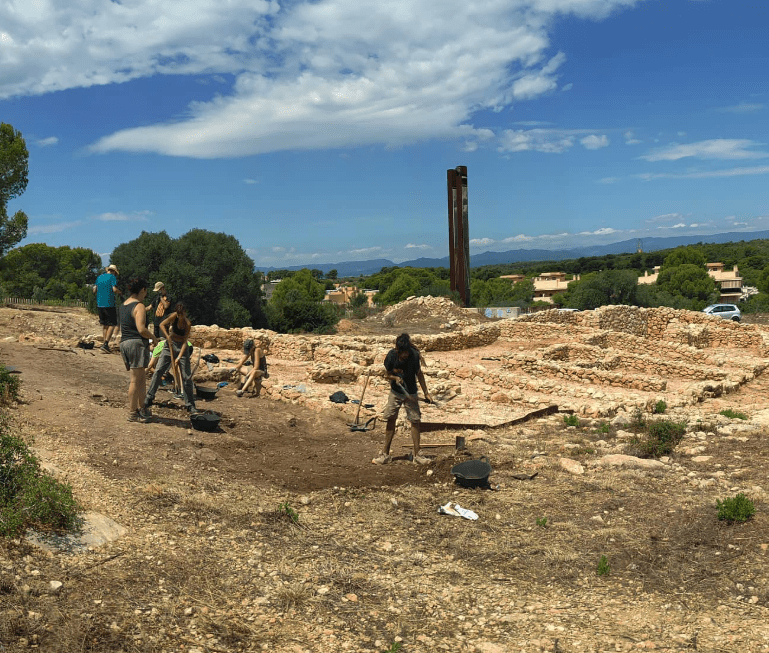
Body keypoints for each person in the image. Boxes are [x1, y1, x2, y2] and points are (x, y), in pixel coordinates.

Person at [372, 333, 432, 465]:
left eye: (406, 352)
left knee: (415, 420)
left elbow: (419, 374)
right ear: (398, 350)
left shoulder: (414, 355)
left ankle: (417, 455)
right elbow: (386, 374)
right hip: (396, 393)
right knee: (391, 418)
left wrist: (426, 393)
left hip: (411, 393)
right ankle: (385, 455)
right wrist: (395, 378)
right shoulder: (391, 356)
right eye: (402, 353)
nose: (405, 355)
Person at [144, 303, 199, 414]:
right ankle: (149, 397)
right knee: (159, 370)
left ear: (185, 313)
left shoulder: (187, 324)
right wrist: (168, 337)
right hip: (169, 345)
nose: (180, 317)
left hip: (182, 348)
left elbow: (185, 342)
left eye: (182, 315)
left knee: (186, 377)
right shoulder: (173, 316)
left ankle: (190, 405)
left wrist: (179, 357)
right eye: (179, 315)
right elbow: (161, 325)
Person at [118, 277, 154, 423]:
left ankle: (142, 408)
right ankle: (133, 413)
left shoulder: (123, 305)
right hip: (136, 344)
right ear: (142, 290)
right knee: (135, 380)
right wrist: (153, 337)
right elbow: (141, 329)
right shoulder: (138, 306)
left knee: (140, 379)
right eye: (146, 291)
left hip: (125, 343)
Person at [93, 264, 121, 353]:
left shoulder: (99, 277)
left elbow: (94, 290)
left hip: (99, 303)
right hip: (109, 303)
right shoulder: (112, 277)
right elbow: (114, 289)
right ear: (113, 271)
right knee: (112, 324)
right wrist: (120, 292)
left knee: (105, 324)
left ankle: (104, 344)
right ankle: (106, 344)